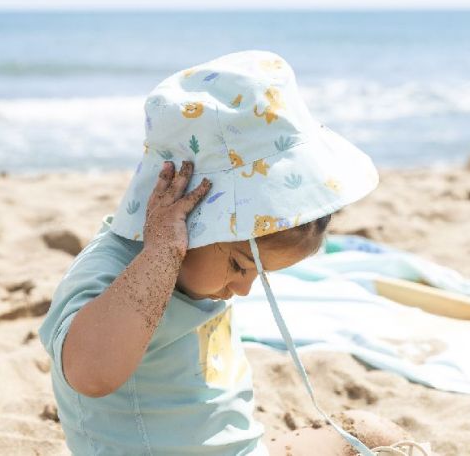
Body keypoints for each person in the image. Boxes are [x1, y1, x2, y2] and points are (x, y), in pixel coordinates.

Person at [39, 50, 429, 455]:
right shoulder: (114, 271)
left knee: (373, 436)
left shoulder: (204, 266)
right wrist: (161, 253)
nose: (243, 289)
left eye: (258, 274)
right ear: (189, 220)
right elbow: (91, 374)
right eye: (239, 266)